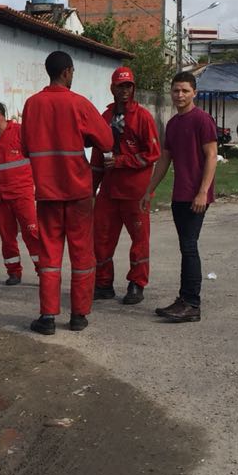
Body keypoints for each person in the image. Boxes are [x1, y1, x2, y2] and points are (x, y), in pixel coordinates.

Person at [19, 51, 113, 335]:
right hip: (78, 192)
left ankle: (47, 317)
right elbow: (106, 140)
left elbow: (26, 148)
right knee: (82, 254)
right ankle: (79, 315)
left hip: (47, 193)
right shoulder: (79, 104)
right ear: (68, 72)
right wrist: (82, 138)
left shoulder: (32, 104)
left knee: (49, 255)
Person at [142, 72, 218, 323]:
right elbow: (164, 159)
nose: (180, 95)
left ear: (194, 92)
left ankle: (192, 304)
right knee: (186, 248)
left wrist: (202, 192)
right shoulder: (173, 124)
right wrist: (149, 189)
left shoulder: (202, 120)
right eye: (176, 90)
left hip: (196, 196)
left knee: (189, 246)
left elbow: (211, 156)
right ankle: (184, 299)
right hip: (180, 194)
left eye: (185, 90)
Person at [92, 66, 160, 305]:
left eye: (128, 86)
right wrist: (91, 187)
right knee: (100, 237)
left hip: (135, 191)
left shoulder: (142, 117)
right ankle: (103, 283)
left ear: (134, 88)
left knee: (139, 238)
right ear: (112, 88)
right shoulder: (106, 117)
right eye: (120, 86)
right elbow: (98, 156)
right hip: (109, 192)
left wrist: (122, 161)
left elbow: (152, 153)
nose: (125, 90)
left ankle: (136, 284)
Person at [0, 100, 40, 286]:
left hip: (22, 195)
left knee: (32, 233)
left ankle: (44, 270)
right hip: (0, 198)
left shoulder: (20, 132)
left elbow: (35, 158)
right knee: (7, 238)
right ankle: (14, 272)